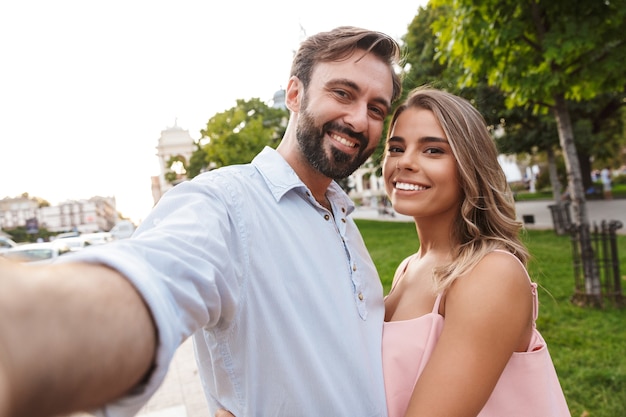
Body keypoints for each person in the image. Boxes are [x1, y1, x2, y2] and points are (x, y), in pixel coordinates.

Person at [0, 26, 402, 417]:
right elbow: (153, 280)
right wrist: (26, 334)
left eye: (375, 109)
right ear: (295, 94)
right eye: (342, 93)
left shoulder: (344, 218)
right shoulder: (224, 203)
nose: (358, 119)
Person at [381, 87, 570, 416]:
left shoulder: (489, 273)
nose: (405, 162)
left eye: (433, 151)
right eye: (396, 147)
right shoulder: (407, 268)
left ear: (470, 165)